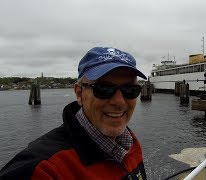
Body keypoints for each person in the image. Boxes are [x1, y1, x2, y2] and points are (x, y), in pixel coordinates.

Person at [0, 47, 148, 179]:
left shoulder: (130, 142)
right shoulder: (44, 169)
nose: (119, 101)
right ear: (79, 93)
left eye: (130, 90)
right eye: (104, 89)